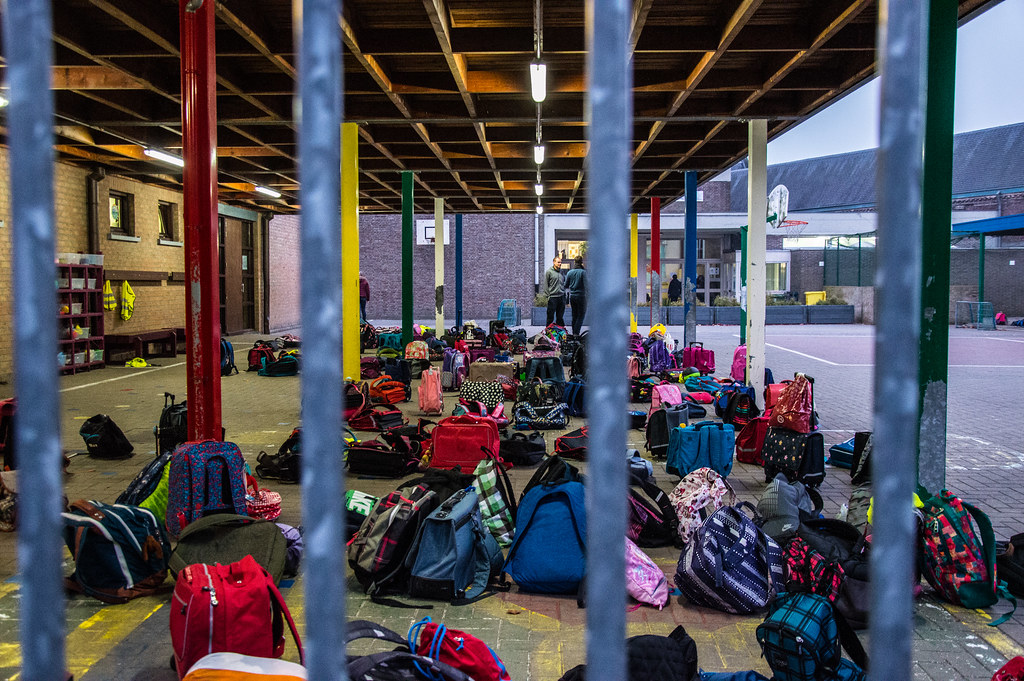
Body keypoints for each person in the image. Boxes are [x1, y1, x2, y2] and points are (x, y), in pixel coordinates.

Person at [564, 256, 587, 336]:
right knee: (581, 315)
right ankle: (576, 334)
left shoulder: (570, 272)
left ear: (574, 262)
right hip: (581, 296)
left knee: (574, 315)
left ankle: (574, 333)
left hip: (572, 296)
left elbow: (565, 285)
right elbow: (586, 285)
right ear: (581, 262)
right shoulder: (583, 272)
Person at [544, 256, 565, 328]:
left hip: (561, 297)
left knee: (560, 317)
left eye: (560, 262)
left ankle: (561, 333)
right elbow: (546, 285)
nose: (560, 264)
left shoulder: (562, 272)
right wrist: (548, 296)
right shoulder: (549, 272)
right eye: (558, 262)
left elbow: (563, 283)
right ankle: (548, 332)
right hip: (553, 297)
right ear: (554, 262)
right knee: (550, 317)